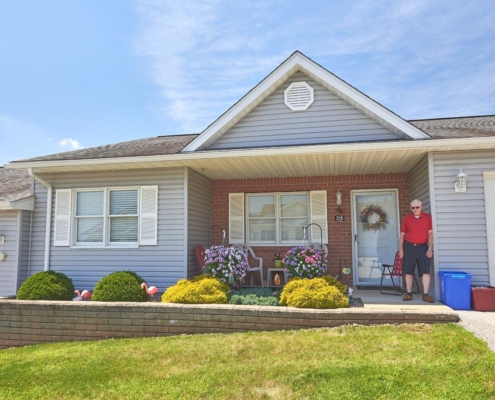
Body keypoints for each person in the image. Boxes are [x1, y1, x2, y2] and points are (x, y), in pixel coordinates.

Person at [399, 199, 434, 303]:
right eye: (412, 208)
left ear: (421, 207)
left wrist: (430, 248)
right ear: (411, 208)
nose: (415, 209)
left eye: (417, 207)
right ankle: (409, 293)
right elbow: (402, 235)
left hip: (423, 247)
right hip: (408, 246)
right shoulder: (407, 218)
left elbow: (430, 234)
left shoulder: (428, 218)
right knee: (408, 271)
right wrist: (401, 249)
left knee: (426, 271)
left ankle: (425, 294)